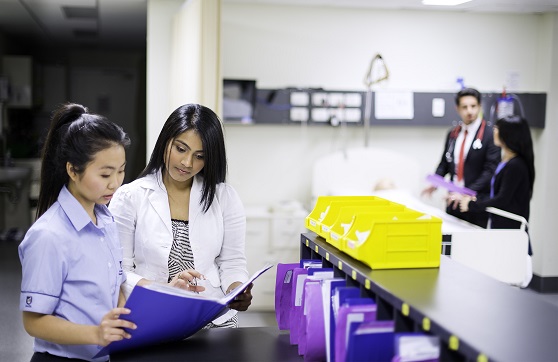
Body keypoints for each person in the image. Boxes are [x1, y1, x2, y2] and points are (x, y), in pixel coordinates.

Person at [108, 103, 251, 329]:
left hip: (213, 318)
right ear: (166, 142)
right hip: (154, 316)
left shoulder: (224, 197)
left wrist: (237, 289)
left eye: (200, 156)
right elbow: (118, 270)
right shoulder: (130, 197)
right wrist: (164, 291)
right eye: (181, 149)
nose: (187, 163)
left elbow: (232, 262)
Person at [19, 103, 137, 362]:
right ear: (72, 170)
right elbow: (34, 321)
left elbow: (115, 285)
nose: (116, 183)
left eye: (120, 171)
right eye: (105, 173)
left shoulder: (106, 220)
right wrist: (96, 334)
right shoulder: (49, 235)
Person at [422, 88, 501, 227]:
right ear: (457, 109)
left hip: (475, 202)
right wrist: (435, 182)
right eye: (464, 107)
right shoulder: (453, 134)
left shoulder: (490, 135)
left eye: (473, 106)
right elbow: (445, 163)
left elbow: (490, 171)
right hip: (452, 200)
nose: (469, 111)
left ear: (479, 107)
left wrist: (466, 193)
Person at [459, 115, 535, 240]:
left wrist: (473, 205)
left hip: (511, 232)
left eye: (497, 128)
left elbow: (502, 199)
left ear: (509, 134)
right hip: (500, 227)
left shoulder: (516, 165)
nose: (494, 130)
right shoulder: (506, 161)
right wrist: (477, 198)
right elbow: (496, 193)